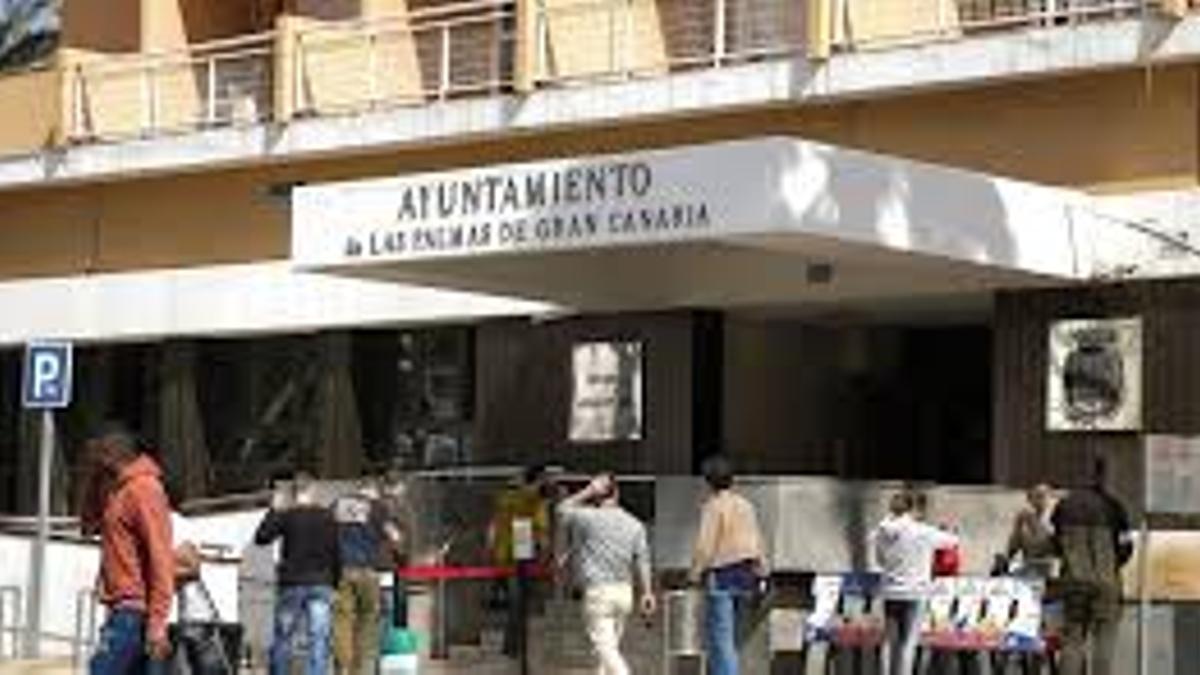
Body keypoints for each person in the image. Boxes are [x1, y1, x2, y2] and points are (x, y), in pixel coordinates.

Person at [80, 424, 175, 675]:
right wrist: (92, 480)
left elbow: (160, 557)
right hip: (122, 610)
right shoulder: (116, 490)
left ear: (111, 453)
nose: (91, 460)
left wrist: (157, 622)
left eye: (96, 454)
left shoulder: (144, 489)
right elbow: (87, 526)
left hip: (133, 612)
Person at [558, 474, 655, 675]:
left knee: (607, 650)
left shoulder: (587, 518)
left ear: (596, 495)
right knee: (607, 650)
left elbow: (561, 509)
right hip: (624, 593)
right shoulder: (634, 524)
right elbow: (643, 560)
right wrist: (647, 592)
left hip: (599, 593)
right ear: (617, 493)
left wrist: (588, 491)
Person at [254, 470, 341, 675]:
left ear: (294, 493)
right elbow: (336, 552)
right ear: (314, 490)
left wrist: (273, 510)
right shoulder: (328, 516)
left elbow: (261, 538)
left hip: (292, 583)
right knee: (319, 637)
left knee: (284, 636)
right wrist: (335, 583)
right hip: (322, 583)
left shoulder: (287, 515)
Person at [1051, 459, 1132, 675]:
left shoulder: (1064, 505)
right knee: (1104, 640)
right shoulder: (1114, 506)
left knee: (1073, 640)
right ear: (1102, 476)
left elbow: (1056, 544)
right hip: (1106, 582)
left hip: (1074, 581)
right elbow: (1126, 547)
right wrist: (1111, 566)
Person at [689, 456, 766, 675]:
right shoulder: (746, 506)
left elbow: (705, 547)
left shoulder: (713, 507)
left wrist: (694, 574)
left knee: (721, 639)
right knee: (733, 639)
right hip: (747, 574)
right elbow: (758, 541)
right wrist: (763, 571)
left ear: (708, 481)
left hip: (722, 575)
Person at [872, 489, 957, 675]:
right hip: (916, 592)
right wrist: (947, 530)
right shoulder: (923, 531)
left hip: (891, 591)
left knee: (890, 641)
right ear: (912, 509)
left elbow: (880, 560)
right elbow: (952, 542)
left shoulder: (882, 531)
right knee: (908, 642)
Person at [331, 477, 401, 675]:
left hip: (342, 570)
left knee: (342, 620)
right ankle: (361, 670)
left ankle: (343, 668)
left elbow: (326, 532)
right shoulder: (377, 507)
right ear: (373, 490)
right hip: (367, 571)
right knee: (368, 621)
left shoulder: (339, 504)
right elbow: (394, 536)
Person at [487, 465, 552, 656]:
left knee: (515, 601)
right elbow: (541, 530)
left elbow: (492, 527)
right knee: (519, 601)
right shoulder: (535, 501)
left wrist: (491, 551)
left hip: (502, 555)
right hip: (521, 556)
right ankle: (513, 645)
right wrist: (545, 554)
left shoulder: (505, 497)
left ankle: (512, 644)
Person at [1005, 483, 1058, 579]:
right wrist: (1018, 526)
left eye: (1042, 496)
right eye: (1036, 497)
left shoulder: (1056, 517)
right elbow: (1013, 546)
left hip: (1049, 568)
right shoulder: (1024, 519)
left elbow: (1056, 544)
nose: (1039, 501)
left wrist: (1042, 524)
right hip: (1029, 566)